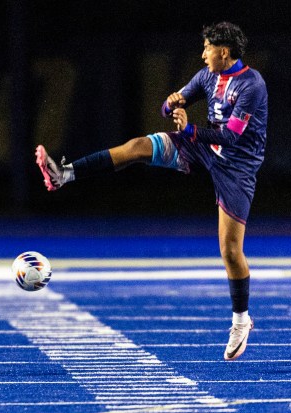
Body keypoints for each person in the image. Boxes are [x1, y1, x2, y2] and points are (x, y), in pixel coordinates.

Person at [35, 22, 266, 361]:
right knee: (139, 146)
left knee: (231, 251)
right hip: (201, 147)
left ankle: (241, 320)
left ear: (224, 52)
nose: (202, 55)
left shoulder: (252, 84)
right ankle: (64, 174)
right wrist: (171, 104)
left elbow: (232, 137)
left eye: (207, 49)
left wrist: (189, 128)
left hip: (237, 166)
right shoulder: (206, 76)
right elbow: (171, 105)